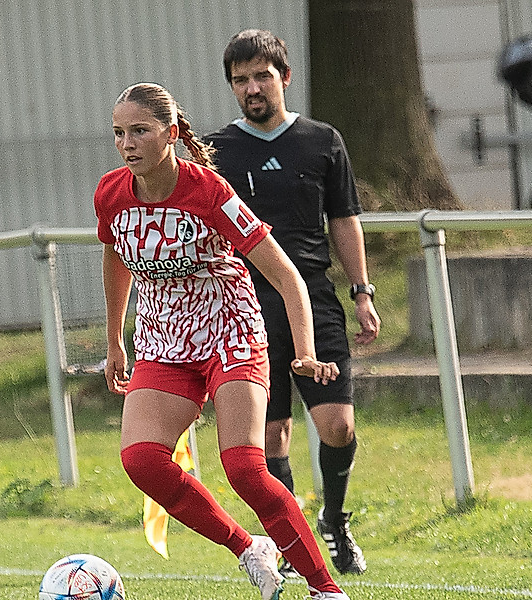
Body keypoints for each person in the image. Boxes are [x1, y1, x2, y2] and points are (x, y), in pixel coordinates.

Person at [97, 82, 352, 600]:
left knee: (245, 470)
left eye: (140, 131)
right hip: (163, 340)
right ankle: (249, 548)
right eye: (119, 133)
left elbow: (287, 277)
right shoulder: (111, 192)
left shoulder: (209, 191)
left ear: (171, 133)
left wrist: (305, 351)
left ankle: (325, 589)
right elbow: (115, 257)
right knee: (142, 461)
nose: (127, 143)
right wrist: (115, 340)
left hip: (229, 335)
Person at [204, 29, 381, 577]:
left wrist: (362, 291)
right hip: (243, 306)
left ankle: (335, 519)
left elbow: (343, 219)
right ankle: (290, 540)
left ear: (284, 76)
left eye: (262, 76)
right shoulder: (214, 151)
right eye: (241, 80)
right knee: (270, 435)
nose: (252, 88)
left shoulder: (322, 140)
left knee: (338, 426)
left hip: (314, 298)